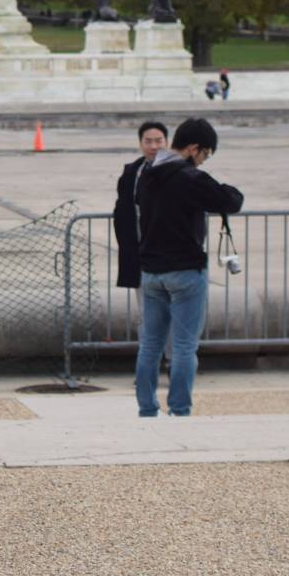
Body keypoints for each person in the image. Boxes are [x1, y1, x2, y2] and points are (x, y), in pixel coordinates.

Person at [132, 118, 244, 418]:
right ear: (194, 148)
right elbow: (231, 201)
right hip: (185, 269)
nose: (204, 160)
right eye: (205, 154)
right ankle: (179, 409)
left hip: (151, 270)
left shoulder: (147, 174)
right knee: (183, 346)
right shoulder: (189, 177)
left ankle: (147, 408)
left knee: (150, 345)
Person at [113, 121, 169, 290]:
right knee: (146, 306)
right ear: (140, 143)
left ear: (167, 142)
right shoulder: (131, 172)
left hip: (170, 252)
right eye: (148, 141)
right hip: (139, 251)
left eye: (159, 141)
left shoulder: (179, 170)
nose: (153, 146)